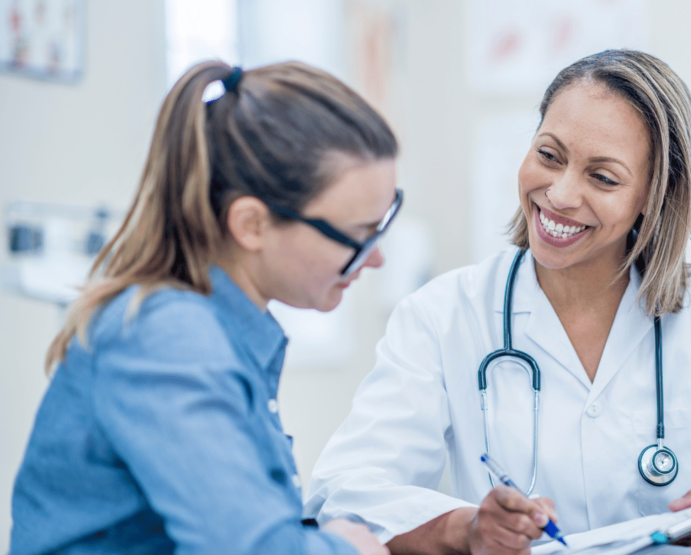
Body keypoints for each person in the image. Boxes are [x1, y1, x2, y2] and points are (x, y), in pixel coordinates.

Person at [302, 49, 691, 553]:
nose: (560, 194)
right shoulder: (442, 316)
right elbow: (345, 490)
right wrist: (467, 528)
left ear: (653, 194)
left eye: (603, 177)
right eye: (549, 155)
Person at [10, 61, 401, 555]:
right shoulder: (165, 339)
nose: (378, 258)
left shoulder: (220, 331)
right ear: (252, 225)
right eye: (359, 236)